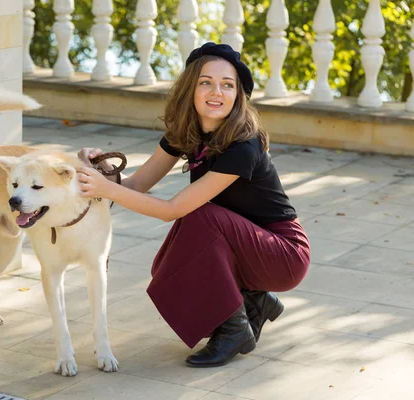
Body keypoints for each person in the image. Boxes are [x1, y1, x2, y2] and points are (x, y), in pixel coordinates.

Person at [76, 42, 310, 368]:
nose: (217, 92)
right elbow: (136, 185)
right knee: (167, 265)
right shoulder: (187, 133)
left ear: (238, 95)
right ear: (191, 88)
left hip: (284, 253)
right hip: (249, 242)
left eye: (227, 85)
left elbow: (172, 209)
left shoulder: (244, 145)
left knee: (198, 215)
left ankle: (234, 328)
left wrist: (107, 190)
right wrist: (100, 171)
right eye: (206, 82)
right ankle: (254, 301)